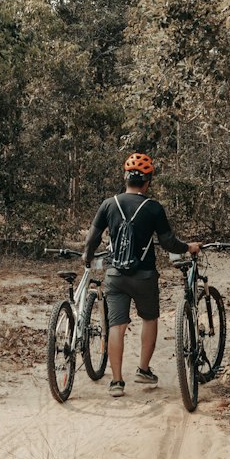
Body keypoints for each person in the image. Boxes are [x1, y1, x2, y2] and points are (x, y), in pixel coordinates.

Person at [83, 152, 200, 397]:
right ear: (147, 181)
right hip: (145, 276)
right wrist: (187, 247)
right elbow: (168, 242)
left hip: (115, 275)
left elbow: (92, 238)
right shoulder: (154, 207)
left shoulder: (109, 204)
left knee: (117, 325)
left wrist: (87, 255)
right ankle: (143, 370)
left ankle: (116, 382)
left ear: (125, 178)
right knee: (149, 319)